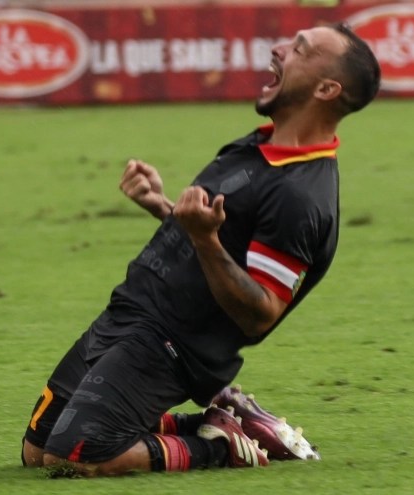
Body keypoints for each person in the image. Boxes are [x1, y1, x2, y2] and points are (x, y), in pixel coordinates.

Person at [21, 22, 381, 477]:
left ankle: (224, 446)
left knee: (76, 455)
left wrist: (204, 238)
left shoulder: (301, 197)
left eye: (299, 49)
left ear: (327, 88)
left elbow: (260, 313)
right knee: (37, 450)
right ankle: (224, 422)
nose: (278, 48)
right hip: (130, 311)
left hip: (171, 344)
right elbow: (220, 239)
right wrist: (166, 209)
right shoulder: (257, 145)